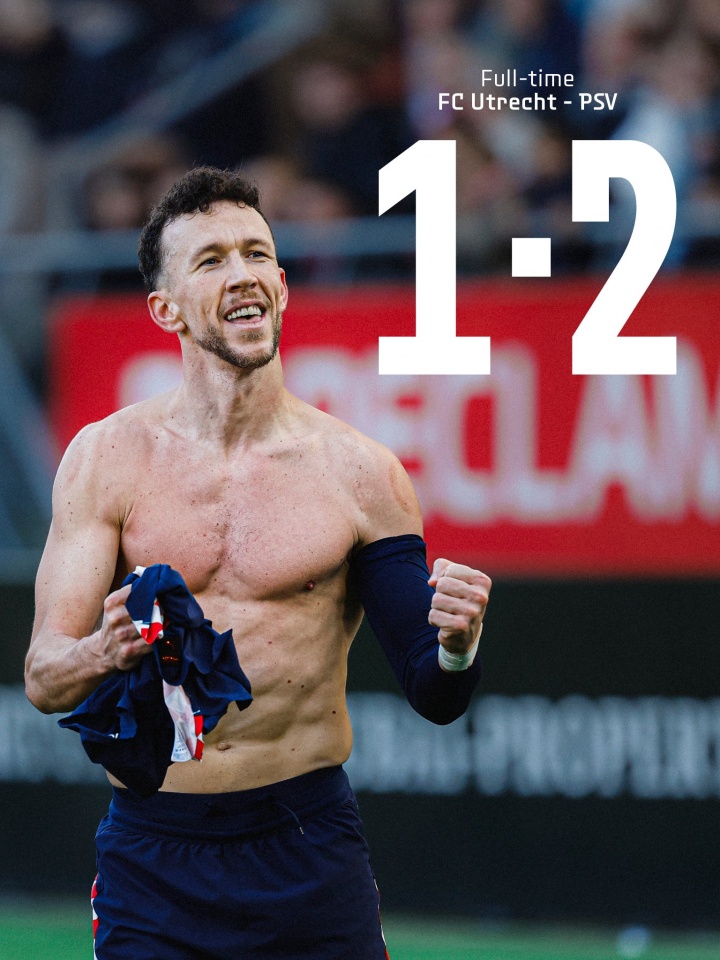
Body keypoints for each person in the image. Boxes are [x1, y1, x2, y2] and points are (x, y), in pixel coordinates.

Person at [25, 166, 491, 959]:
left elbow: (435, 691)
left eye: (256, 254)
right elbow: (44, 677)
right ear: (165, 309)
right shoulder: (104, 459)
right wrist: (102, 653)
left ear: (281, 285)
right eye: (211, 260)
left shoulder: (362, 473)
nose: (241, 273)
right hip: (154, 852)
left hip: (307, 847)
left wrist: (458, 642)